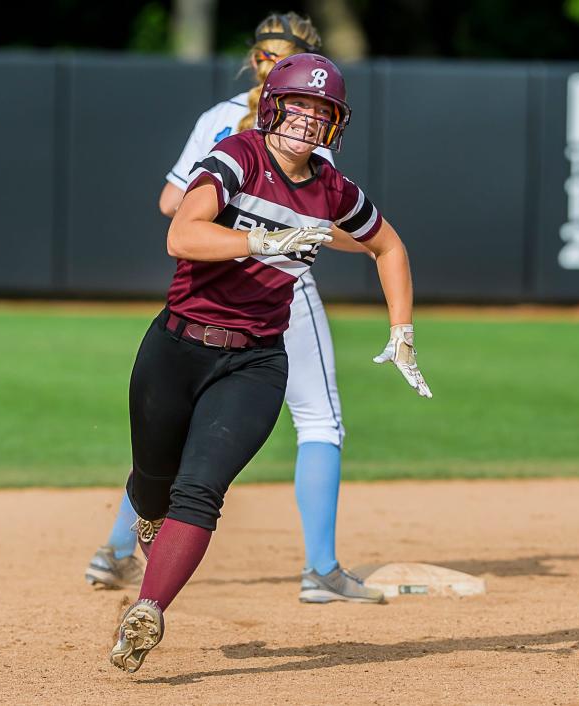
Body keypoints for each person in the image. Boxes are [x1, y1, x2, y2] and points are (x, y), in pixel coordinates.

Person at [108, 52, 432, 674]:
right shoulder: (238, 154)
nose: (309, 120)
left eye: (323, 111)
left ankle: (149, 609)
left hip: (255, 360)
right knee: (154, 483)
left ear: (335, 125)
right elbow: (182, 233)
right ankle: (150, 521)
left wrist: (402, 328)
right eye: (301, 105)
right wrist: (258, 240)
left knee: (201, 490)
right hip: (177, 345)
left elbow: (387, 244)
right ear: (273, 104)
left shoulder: (332, 188)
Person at [86, 12, 385, 605]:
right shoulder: (299, 129)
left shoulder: (220, 119)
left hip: (209, 280)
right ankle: (321, 569)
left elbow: (174, 199)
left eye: (278, 53)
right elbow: (339, 227)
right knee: (319, 418)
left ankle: (119, 549)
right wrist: (283, 230)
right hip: (274, 285)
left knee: (168, 429)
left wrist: (224, 213)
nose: (271, 61)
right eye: (271, 54)